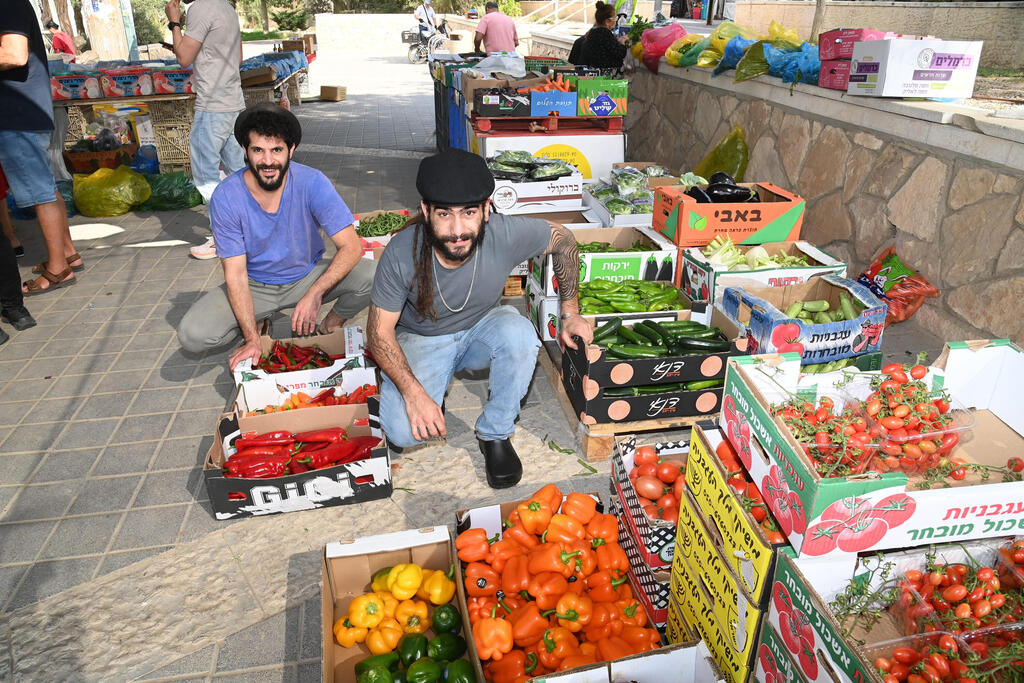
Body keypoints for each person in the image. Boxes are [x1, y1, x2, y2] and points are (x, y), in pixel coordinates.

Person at [367, 149, 593, 489]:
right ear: (426, 211)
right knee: (403, 432)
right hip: (423, 338)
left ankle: (495, 435)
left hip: (481, 329)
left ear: (486, 210)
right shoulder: (401, 252)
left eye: (469, 213)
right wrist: (414, 393)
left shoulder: (504, 233)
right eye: (444, 214)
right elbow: (378, 333)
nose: (458, 230)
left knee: (520, 333)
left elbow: (564, 240)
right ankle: (428, 386)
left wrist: (571, 313)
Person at [177, 103, 376, 368]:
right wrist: (251, 340)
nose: (268, 161)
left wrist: (316, 293)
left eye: (277, 150)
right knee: (192, 335)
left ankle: (331, 324)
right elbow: (235, 274)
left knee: (378, 274)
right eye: (258, 150)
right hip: (255, 284)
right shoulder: (227, 197)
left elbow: (351, 247)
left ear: (290, 150)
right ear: (245, 152)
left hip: (307, 275)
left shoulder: (312, 182)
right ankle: (260, 322)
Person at [0, 0, 82, 296]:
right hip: (24, 112)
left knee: (40, 193)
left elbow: (13, 53)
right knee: (45, 188)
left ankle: (59, 270)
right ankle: (68, 253)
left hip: (18, 114)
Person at [165, 0, 246, 261]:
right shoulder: (227, 9)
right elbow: (238, 58)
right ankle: (247, 232)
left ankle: (223, 239)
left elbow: (183, 58)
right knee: (239, 174)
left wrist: (174, 22)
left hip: (212, 107)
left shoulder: (200, 8)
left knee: (207, 178)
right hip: (233, 102)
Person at [568, 1, 628, 70]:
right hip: (605, 74)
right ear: (607, 22)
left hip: (592, 70)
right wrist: (622, 42)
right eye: (615, 18)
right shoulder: (605, 34)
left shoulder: (592, 32)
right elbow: (621, 53)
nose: (616, 21)